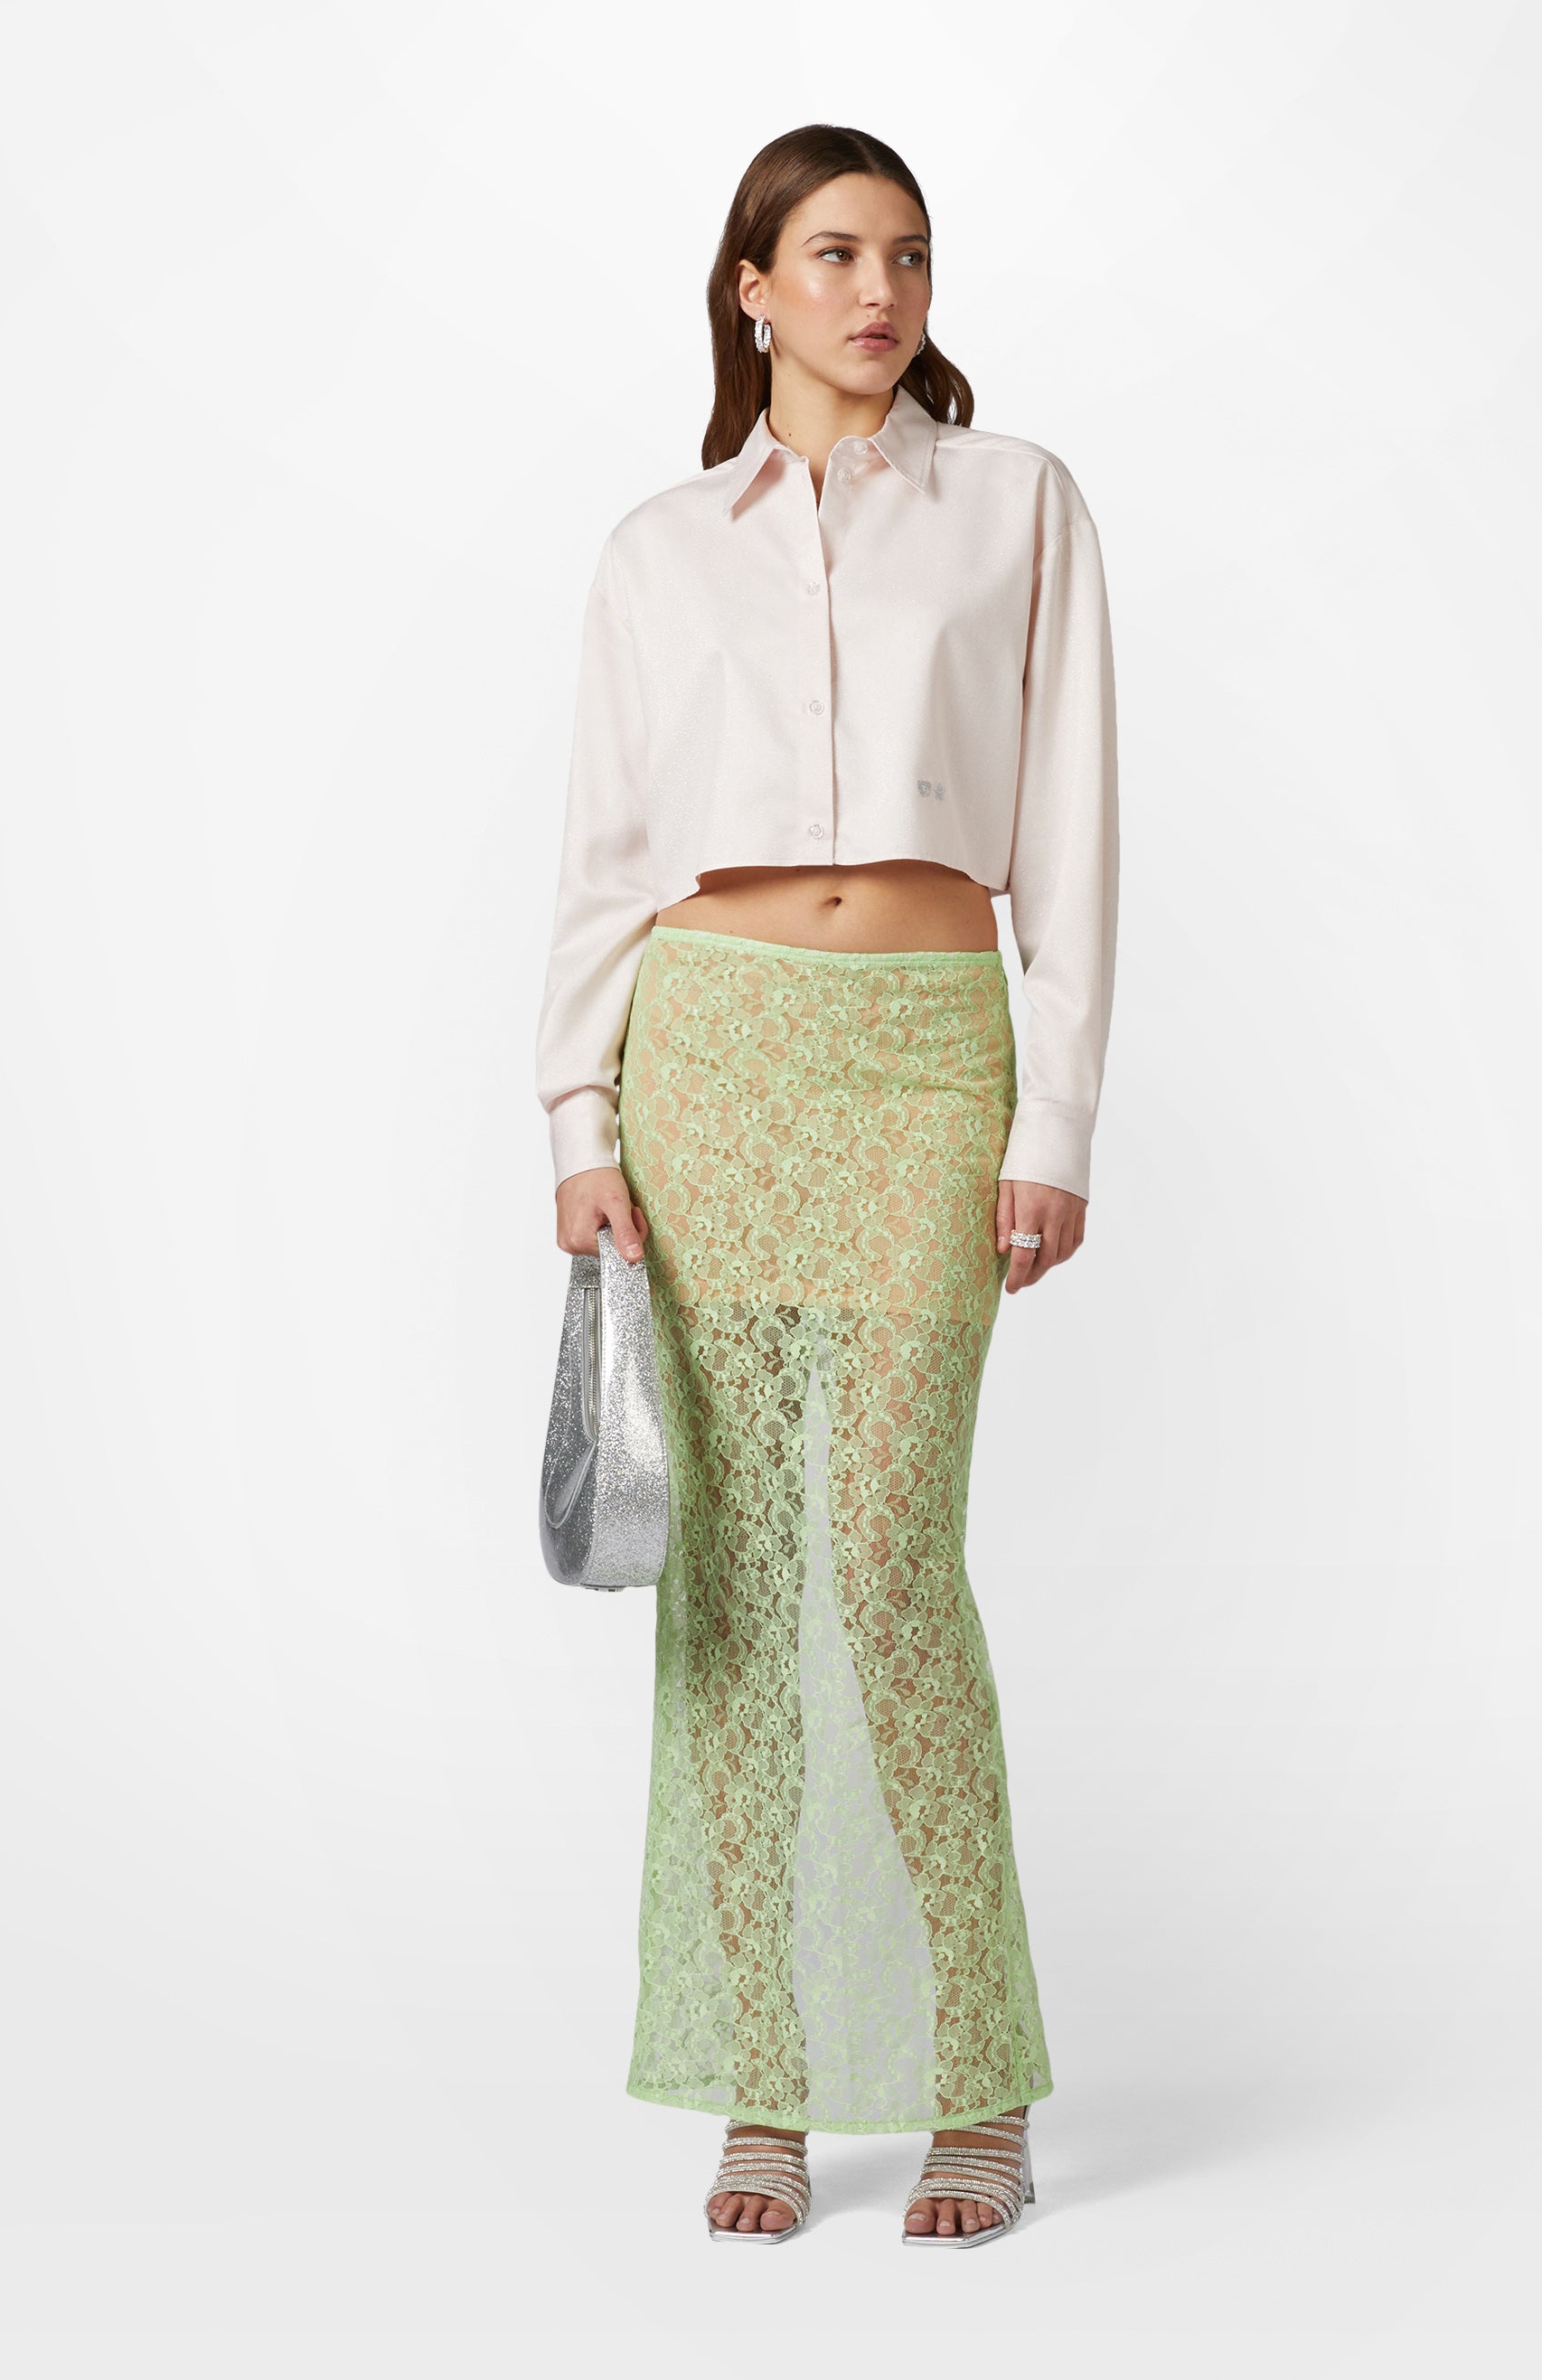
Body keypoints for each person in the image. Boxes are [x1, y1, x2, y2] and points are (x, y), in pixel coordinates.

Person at [533, 123, 1119, 2249]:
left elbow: (1070, 834)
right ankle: (760, 2080)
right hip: (708, 1056)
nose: (880, 292)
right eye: (837, 253)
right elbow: (607, 858)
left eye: (909, 256)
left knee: (883, 1559)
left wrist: (1050, 1126)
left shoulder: (1015, 506)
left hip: (922, 1063)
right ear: (752, 288)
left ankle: (976, 2073)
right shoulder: (655, 551)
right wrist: (579, 1123)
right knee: (734, 1588)